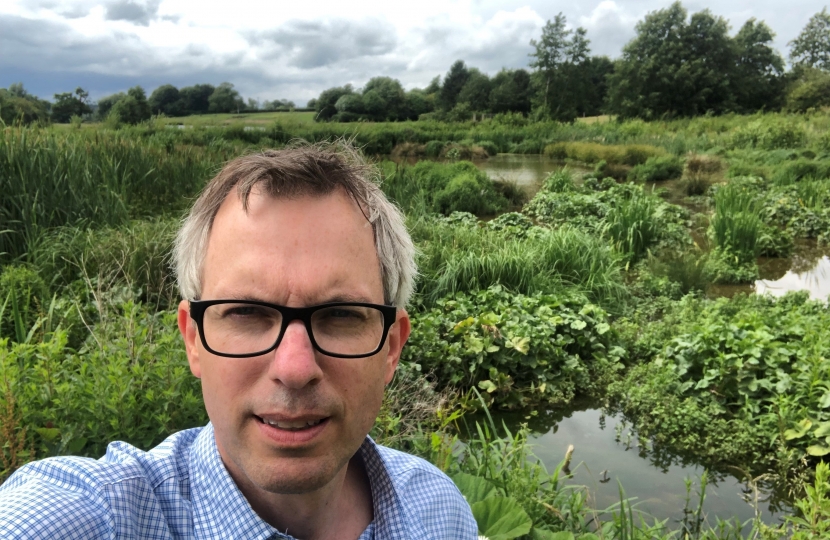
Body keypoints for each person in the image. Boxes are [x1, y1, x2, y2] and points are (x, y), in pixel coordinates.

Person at [0, 141, 478, 539]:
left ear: (392, 346)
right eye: (247, 313)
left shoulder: (439, 510)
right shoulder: (95, 517)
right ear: (193, 340)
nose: (294, 369)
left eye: (339, 315)